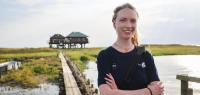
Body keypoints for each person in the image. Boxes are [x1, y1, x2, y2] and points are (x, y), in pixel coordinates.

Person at [97, 3, 164, 95]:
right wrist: (148, 91)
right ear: (114, 23)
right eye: (123, 20)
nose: (128, 25)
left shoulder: (145, 54)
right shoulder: (105, 55)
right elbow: (106, 93)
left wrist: (117, 92)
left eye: (133, 21)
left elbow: (158, 91)